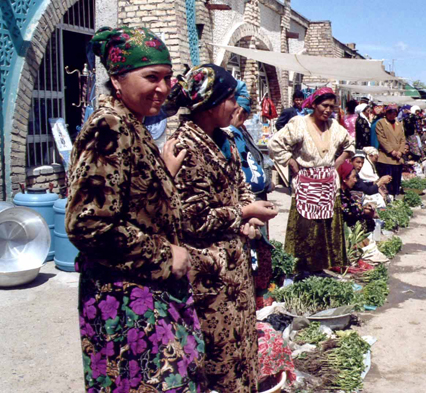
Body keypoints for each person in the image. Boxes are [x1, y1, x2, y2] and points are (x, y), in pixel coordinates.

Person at [66, 27, 206, 392]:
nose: (162, 88)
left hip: (146, 295)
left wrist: (165, 175)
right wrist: (164, 254)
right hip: (126, 302)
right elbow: (88, 224)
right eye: (151, 78)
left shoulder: (133, 125)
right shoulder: (109, 127)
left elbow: (131, 203)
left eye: (166, 78)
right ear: (117, 80)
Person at [168, 64, 278, 392]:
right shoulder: (184, 146)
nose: (237, 107)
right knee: (214, 352)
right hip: (207, 270)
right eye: (231, 99)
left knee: (241, 344)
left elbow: (240, 185)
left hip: (235, 263)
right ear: (213, 103)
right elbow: (193, 218)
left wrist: (250, 215)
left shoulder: (226, 140)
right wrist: (243, 212)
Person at [269, 87, 354, 272]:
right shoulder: (299, 124)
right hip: (306, 184)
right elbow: (274, 143)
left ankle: (321, 269)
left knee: (326, 230)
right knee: (305, 229)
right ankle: (302, 271)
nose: (328, 110)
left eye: (332, 106)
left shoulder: (334, 127)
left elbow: (350, 143)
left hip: (329, 185)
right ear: (314, 104)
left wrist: (338, 161)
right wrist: (289, 160)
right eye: (324, 105)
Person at [230, 80, 275, 300]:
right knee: (252, 254)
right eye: (241, 112)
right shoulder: (228, 134)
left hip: (255, 200)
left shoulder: (241, 131)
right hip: (245, 206)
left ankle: (260, 295)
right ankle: (257, 297)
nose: (244, 117)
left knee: (260, 250)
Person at [338, 161, 376, 233]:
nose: (355, 180)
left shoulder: (346, 191)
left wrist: (365, 207)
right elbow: (348, 212)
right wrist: (364, 211)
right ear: (344, 178)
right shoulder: (339, 195)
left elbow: (353, 204)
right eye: (353, 177)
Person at [375, 106, 406, 197]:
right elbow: (382, 139)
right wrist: (391, 151)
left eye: (394, 113)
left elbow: (403, 139)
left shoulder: (399, 124)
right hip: (386, 156)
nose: (392, 115)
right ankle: (387, 198)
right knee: (387, 181)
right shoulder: (381, 123)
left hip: (398, 157)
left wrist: (400, 151)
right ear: (386, 113)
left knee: (396, 181)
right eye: (390, 113)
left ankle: (395, 196)